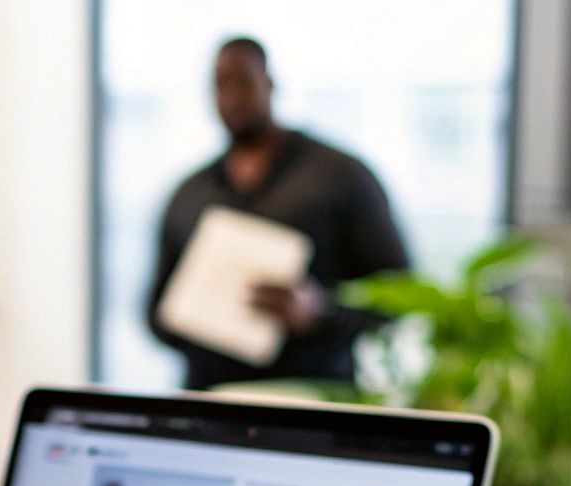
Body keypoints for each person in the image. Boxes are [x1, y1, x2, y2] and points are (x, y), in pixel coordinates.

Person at [146, 37, 411, 391]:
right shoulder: (189, 194)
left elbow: (398, 293)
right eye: (221, 85)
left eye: (244, 81)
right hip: (211, 402)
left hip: (309, 403)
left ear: (270, 84)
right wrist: (188, 316)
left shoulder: (339, 177)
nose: (232, 97)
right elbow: (154, 312)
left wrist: (319, 315)